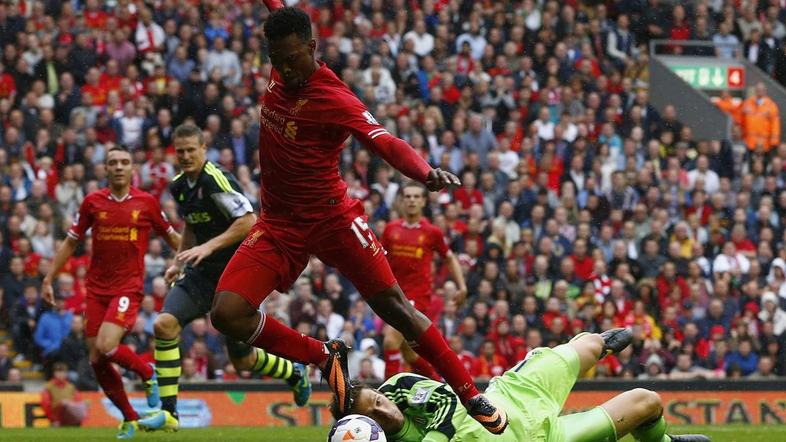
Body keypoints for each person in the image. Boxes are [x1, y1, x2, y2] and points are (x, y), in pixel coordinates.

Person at [209, 3, 507, 434]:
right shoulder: (283, 65)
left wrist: (424, 172)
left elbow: (384, 140)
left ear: (312, 47)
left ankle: (470, 394)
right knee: (227, 313)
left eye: (292, 59)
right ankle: (323, 356)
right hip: (279, 225)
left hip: (333, 221)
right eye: (277, 60)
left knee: (396, 310)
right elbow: (279, 7)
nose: (285, 70)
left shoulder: (334, 97)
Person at [140, 124, 311, 431]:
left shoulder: (216, 179)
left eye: (191, 150)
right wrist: (179, 260)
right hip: (202, 274)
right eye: (180, 151)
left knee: (242, 361)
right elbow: (191, 225)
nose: (186, 156)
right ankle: (169, 413)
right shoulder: (179, 185)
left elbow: (248, 220)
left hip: (235, 275)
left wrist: (208, 246)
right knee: (163, 324)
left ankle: (294, 372)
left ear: (203, 150)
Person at [333, 329, 709, 442]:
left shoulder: (399, 387)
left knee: (598, 343)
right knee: (647, 400)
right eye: (375, 413)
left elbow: (447, 404)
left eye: (376, 398)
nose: (384, 406)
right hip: (545, 438)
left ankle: (588, 344)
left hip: (515, 394)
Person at [42, 146, 181, 439]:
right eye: (113, 163)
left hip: (127, 287)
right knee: (97, 360)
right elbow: (71, 242)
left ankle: (147, 373)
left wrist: (195, 260)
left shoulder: (147, 203)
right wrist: (49, 277)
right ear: (105, 169)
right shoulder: (92, 202)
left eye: (124, 162)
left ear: (132, 168)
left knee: (107, 346)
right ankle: (129, 418)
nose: (118, 167)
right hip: (96, 289)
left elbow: (172, 238)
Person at [381, 182, 467, 380]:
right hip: (392, 295)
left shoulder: (431, 232)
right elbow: (379, 258)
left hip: (417, 297)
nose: (412, 200)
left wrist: (462, 286)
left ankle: (385, 394)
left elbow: (449, 258)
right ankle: (441, 385)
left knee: (390, 341)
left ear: (423, 202)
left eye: (416, 197)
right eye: (408, 196)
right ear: (401, 201)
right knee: (409, 352)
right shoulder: (390, 230)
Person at [41, 362, 86, 427]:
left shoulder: (71, 387)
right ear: (54, 373)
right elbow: (46, 404)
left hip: (71, 414)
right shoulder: (49, 387)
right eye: (58, 372)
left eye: (63, 372)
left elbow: (77, 401)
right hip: (57, 416)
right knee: (64, 404)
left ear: (66, 373)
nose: (61, 374)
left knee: (83, 404)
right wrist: (53, 419)